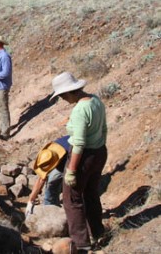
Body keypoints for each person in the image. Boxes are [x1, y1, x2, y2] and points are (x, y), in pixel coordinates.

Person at [50, 72, 108, 253]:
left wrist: (72, 170)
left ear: (69, 93)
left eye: (61, 96)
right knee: (91, 193)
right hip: (99, 152)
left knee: (72, 199)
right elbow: (103, 128)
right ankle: (98, 232)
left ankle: (80, 244)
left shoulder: (79, 110)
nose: (62, 99)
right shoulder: (95, 100)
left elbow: (79, 143)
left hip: (83, 157)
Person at [25, 136, 71, 217]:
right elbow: (40, 180)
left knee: (68, 187)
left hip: (74, 158)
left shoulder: (68, 152)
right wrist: (30, 201)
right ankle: (50, 205)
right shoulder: (49, 152)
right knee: (51, 185)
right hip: (61, 160)